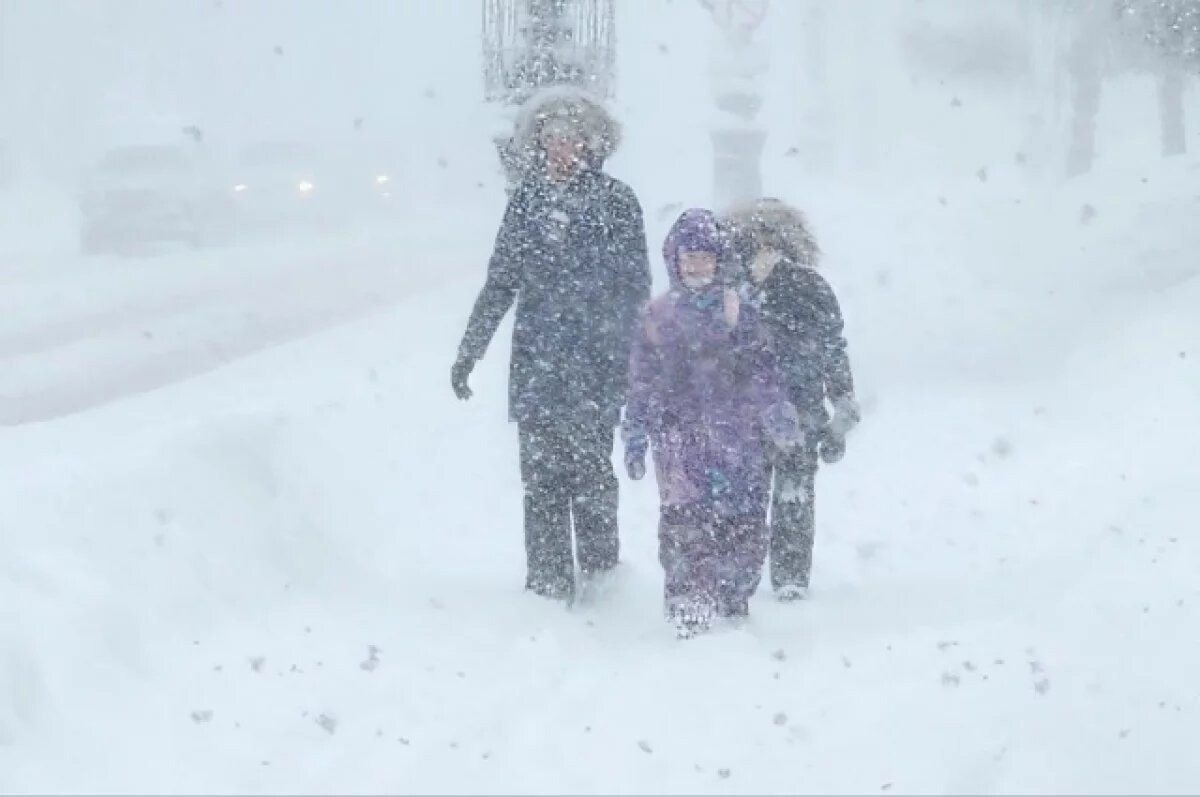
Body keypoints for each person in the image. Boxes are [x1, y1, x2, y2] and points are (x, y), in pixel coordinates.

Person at [451, 87, 652, 604]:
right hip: (539, 366)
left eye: (570, 139)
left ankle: (602, 575)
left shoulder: (617, 202)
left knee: (590, 475)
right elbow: (501, 281)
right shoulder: (527, 202)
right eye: (550, 139)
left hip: (596, 363)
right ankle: (547, 584)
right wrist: (471, 348)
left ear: (591, 143)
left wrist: (635, 359)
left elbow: (636, 289)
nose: (560, 149)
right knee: (541, 483)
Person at [622, 209, 803, 638]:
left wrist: (778, 416)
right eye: (689, 257)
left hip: (737, 440)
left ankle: (733, 597)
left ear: (720, 260)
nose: (697, 265)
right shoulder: (657, 317)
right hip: (679, 445)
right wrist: (635, 434)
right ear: (675, 261)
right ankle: (689, 605)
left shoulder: (739, 313)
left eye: (705, 257)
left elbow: (764, 373)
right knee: (686, 527)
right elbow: (641, 383)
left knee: (743, 526)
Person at [722, 198, 860, 601]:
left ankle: (790, 576)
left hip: (800, 408)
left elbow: (833, 348)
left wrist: (842, 402)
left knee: (793, 492)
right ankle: (743, 573)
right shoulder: (729, 291)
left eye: (769, 239)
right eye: (753, 239)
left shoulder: (809, 286)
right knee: (747, 496)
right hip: (744, 409)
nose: (762, 249)